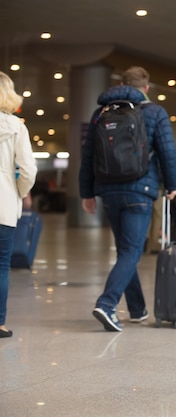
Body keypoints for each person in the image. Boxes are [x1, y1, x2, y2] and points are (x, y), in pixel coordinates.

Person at [79, 66, 176, 332]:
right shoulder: (155, 112)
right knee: (131, 251)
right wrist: (172, 185)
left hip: (109, 190)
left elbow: (87, 155)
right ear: (145, 89)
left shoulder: (100, 113)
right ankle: (107, 303)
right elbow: (168, 152)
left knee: (126, 250)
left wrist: (86, 192)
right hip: (140, 190)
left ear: (122, 84)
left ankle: (137, 309)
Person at [0, 71, 38, 338]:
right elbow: (27, 170)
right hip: (2, 204)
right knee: (1, 264)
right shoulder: (16, 126)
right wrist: (18, 192)